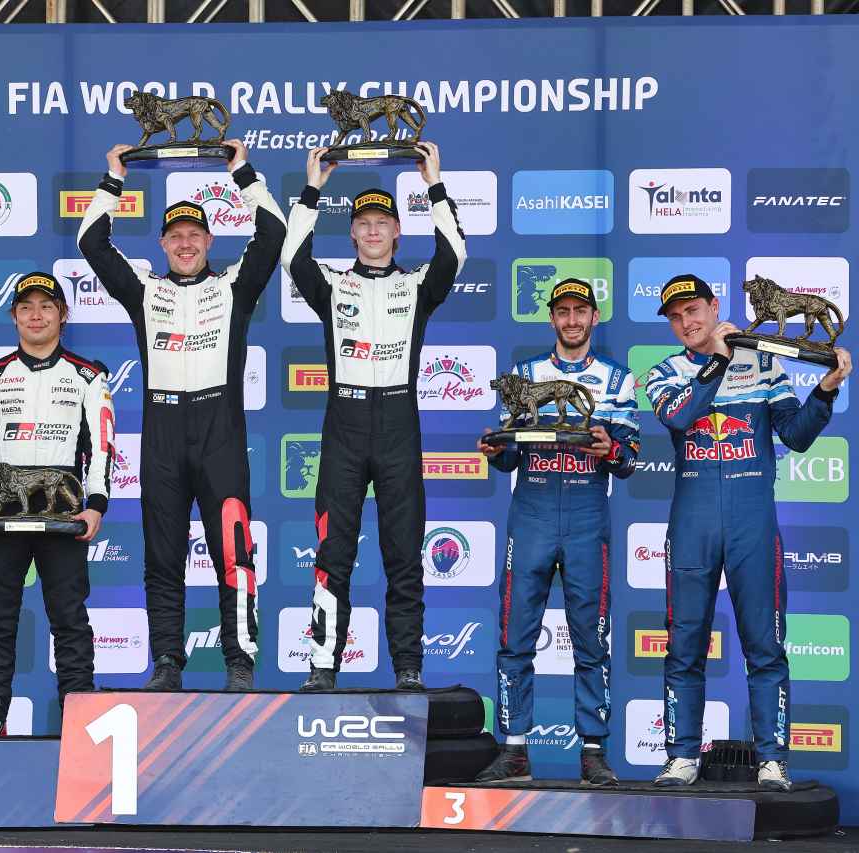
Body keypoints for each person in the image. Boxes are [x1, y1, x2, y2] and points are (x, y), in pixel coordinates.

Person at [77, 139, 286, 691]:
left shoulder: (233, 285)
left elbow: (273, 234)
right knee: (163, 557)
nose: (186, 243)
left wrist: (243, 173)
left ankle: (240, 663)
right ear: (163, 243)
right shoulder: (144, 291)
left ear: (210, 241)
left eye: (196, 235)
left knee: (234, 553)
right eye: (176, 236)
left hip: (221, 432)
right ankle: (167, 663)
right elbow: (92, 241)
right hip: (164, 433)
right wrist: (114, 177)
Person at [644, 274, 852, 791]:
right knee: (684, 646)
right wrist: (718, 358)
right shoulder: (664, 372)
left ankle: (772, 760)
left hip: (751, 522)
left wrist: (825, 391)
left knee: (765, 646)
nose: (686, 323)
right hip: (692, 525)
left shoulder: (762, 363)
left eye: (694, 311)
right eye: (676, 317)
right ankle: (681, 757)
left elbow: (796, 436)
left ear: (715, 306)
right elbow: (682, 416)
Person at [280, 142, 466, 691]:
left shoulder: (417, 285)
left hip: (398, 423)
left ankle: (408, 668)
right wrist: (313, 188)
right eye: (363, 223)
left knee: (403, 552)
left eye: (383, 222)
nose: (373, 230)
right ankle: (323, 666)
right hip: (345, 421)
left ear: (397, 232)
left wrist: (434, 184)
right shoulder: (334, 284)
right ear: (353, 233)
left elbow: (454, 254)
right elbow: (293, 258)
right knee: (333, 551)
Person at [472, 279, 639, 786]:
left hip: (587, 516)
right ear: (552, 318)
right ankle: (514, 749)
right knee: (514, 637)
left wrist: (612, 449)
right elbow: (508, 456)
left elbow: (630, 460)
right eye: (562, 311)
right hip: (533, 512)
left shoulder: (617, 379)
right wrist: (496, 451)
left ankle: (593, 753)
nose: (571, 320)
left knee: (591, 641)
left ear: (593, 317)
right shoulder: (523, 375)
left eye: (580, 311)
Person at [0, 272, 112, 735]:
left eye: (46, 306)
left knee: (69, 616)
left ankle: (78, 716)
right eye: (26, 307)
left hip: (64, 506)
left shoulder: (89, 375)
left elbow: (102, 445)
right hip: (4, 507)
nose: (36, 315)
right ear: (14, 316)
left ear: (63, 315)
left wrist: (96, 504)